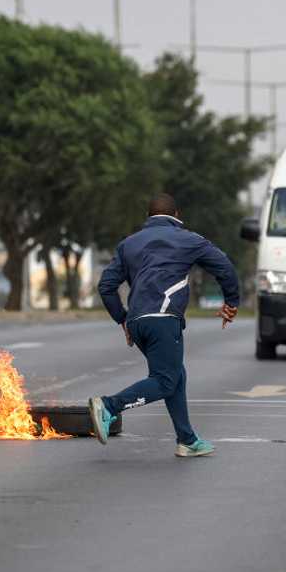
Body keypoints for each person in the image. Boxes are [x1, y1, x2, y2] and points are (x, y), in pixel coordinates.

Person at [89, 193, 240, 457]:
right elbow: (225, 267)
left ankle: (187, 439)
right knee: (165, 380)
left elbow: (106, 286)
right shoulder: (189, 239)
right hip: (163, 320)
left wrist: (122, 319)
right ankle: (109, 406)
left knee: (174, 375)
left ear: (148, 217)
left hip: (137, 321)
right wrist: (232, 302)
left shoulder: (129, 244)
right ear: (177, 215)